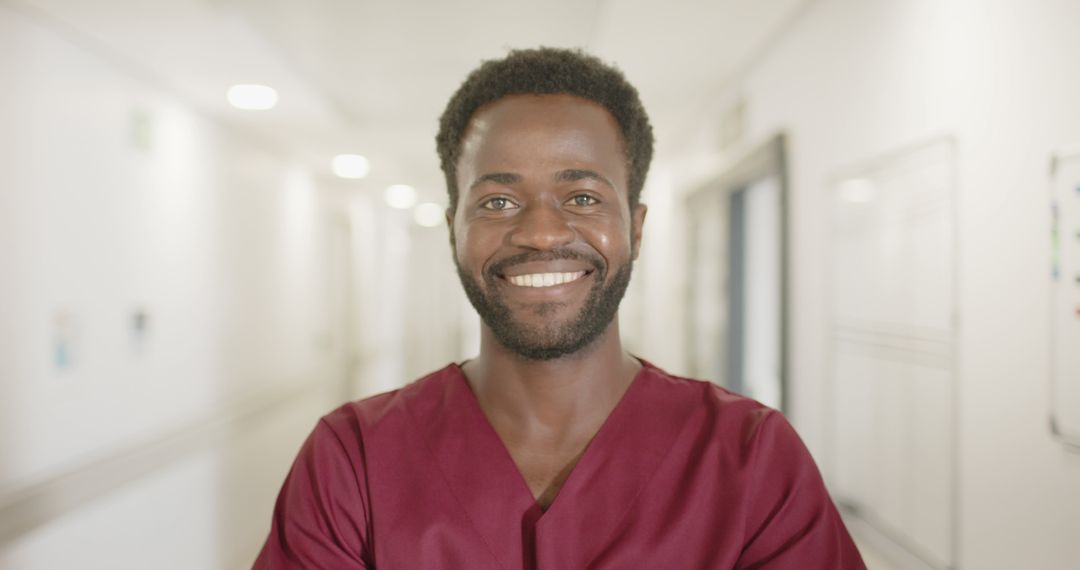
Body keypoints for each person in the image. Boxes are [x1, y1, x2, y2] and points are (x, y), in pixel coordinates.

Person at [254, 47, 865, 569]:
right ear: (452, 232)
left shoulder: (751, 457)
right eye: (497, 202)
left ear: (637, 228)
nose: (542, 233)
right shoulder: (352, 459)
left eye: (581, 196)